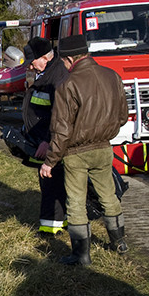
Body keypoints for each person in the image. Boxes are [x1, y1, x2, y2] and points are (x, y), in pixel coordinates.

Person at [39, 34, 129, 265]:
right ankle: (119, 243)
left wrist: (50, 161)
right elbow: (122, 116)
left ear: (69, 59)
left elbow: (61, 131)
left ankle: (81, 255)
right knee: (108, 195)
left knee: (76, 202)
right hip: (104, 148)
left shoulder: (67, 85)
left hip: (76, 153)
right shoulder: (112, 76)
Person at [21, 36, 70, 237]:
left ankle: (52, 228)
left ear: (45, 58)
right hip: (41, 139)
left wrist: (47, 141)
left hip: (49, 142)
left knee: (51, 180)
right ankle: (55, 222)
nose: (31, 67)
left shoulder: (57, 77)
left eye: (33, 62)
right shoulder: (48, 73)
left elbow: (60, 115)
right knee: (48, 181)